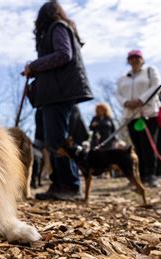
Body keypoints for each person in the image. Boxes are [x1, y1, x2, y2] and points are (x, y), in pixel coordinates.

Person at [22, 1, 93, 200]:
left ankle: (70, 185)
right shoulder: (58, 28)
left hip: (59, 93)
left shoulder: (58, 27)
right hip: (55, 92)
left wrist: (34, 64)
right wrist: (34, 70)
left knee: (57, 140)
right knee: (53, 139)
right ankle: (59, 183)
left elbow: (64, 54)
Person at [116, 49, 161, 188]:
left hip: (148, 114)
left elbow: (156, 86)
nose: (134, 60)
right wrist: (126, 103)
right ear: (128, 60)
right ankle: (139, 176)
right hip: (131, 116)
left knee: (148, 145)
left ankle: (151, 175)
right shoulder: (123, 77)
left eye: (137, 57)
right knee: (137, 147)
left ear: (142, 59)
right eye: (131, 58)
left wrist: (141, 100)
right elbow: (117, 93)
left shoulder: (150, 70)